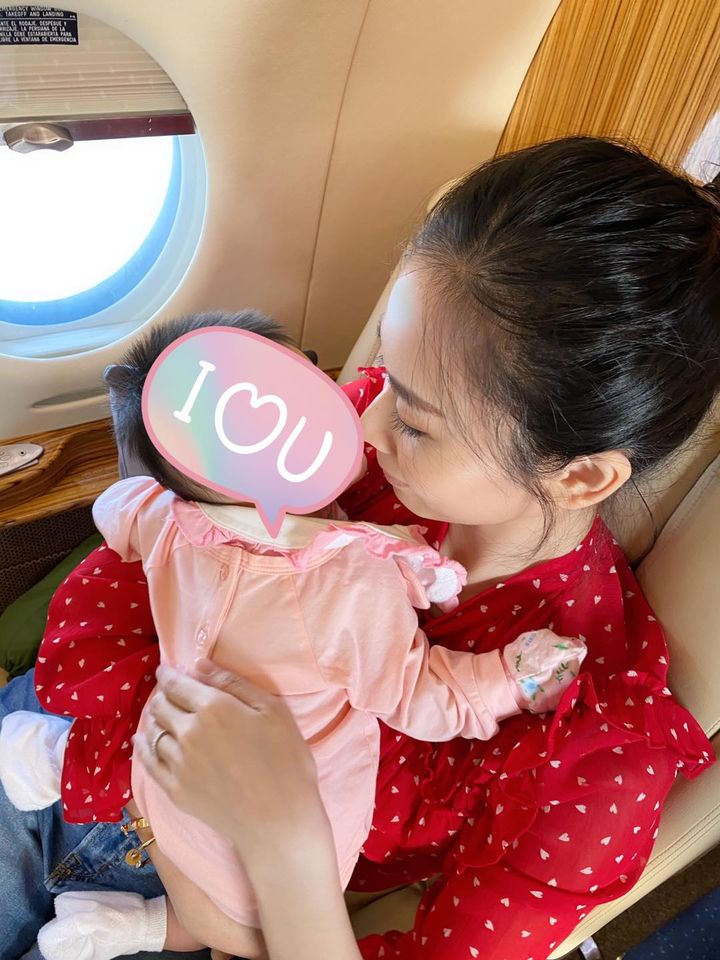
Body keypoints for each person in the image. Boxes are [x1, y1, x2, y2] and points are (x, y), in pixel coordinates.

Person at [0, 135, 716, 960]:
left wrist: (284, 843)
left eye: (412, 419)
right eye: (382, 377)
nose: (364, 423)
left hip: (199, 896)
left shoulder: (597, 755)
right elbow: (158, 549)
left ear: (582, 476)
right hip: (57, 743)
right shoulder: (344, 447)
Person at [0, 310, 584, 960]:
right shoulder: (348, 584)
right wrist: (507, 680)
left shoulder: (166, 518)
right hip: (189, 822)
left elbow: (127, 507)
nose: (362, 419)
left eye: (414, 419)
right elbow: (424, 695)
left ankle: (94, 830)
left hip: (169, 804)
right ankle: (121, 882)